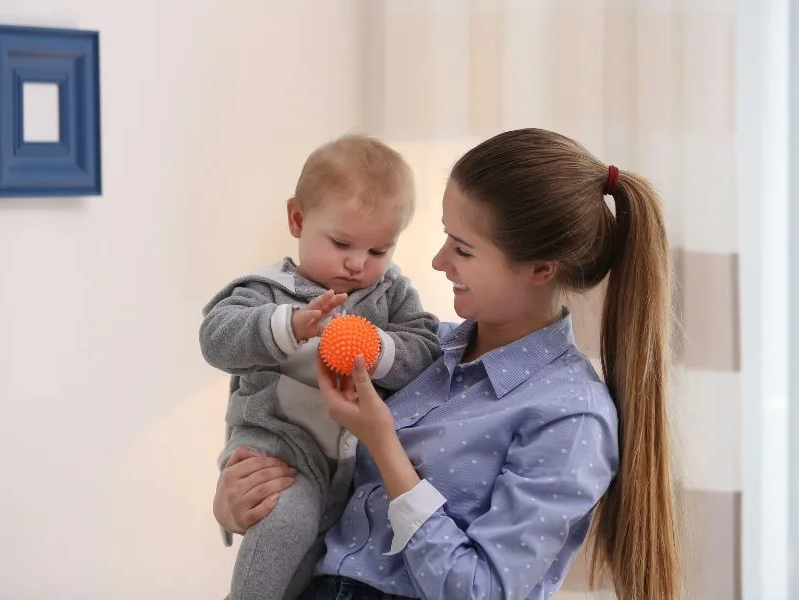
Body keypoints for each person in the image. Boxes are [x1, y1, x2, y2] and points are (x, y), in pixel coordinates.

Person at [213, 128, 680, 600]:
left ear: (542, 269)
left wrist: (385, 446)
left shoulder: (570, 414)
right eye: (444, 237)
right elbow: (284, 408)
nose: (438, 262)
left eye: (462, 248)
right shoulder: (418, 350)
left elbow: (481, 590)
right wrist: (241, 499)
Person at [200, 134, 442, 600]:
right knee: (284, 523)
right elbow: (216, 338)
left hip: (357, 471)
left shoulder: (390, 293)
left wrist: (377, 349)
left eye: (378, 251)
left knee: (313, 569)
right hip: (281, 452)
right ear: (297, 219)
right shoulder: (267, 290)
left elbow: (426, 349)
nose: (357, 264)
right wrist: (288, 326)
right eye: (342, 243)